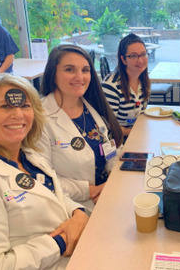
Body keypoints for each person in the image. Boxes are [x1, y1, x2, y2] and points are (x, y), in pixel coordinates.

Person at [0, 74, 90, 270]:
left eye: (25, 106)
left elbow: (56, 195)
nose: (18, 115)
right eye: (5, 106)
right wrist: (60, 242)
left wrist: (78, 213)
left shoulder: (30, 157)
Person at [35, 45, 123, 212]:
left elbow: (111, 149)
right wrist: (91, 191)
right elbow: (42, 178)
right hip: (72, 208)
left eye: (85, 70)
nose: (79, 77)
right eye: (70, 69)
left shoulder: (92, 106)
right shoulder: (39, 118)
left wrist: (112, 179)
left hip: (107, 194)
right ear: (53, 74)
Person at [101, 33, 151, 136]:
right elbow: (108, 126)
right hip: (118, 142)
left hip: (135, 136)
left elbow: (140, 115)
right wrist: (136, 132)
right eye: (133, 56)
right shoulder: (111, 86)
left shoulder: (143, 81)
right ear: (123, 59)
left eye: (143, 54)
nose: (140, 60)